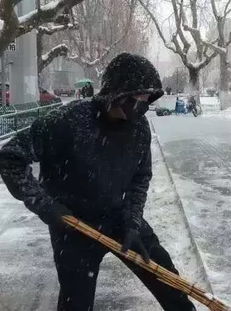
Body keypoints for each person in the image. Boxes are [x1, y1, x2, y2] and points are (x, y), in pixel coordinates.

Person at [0, 53, 196, 311]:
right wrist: (46, 207)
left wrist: (133, 223)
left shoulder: (139, 128)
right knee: (76, 302)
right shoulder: (65, 122)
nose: (144, 106)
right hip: (73, 226)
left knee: (168, 281)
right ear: (118, 94)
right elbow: (10, 159)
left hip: (118, 218)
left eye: (148, 100)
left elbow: (140, 178)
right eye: (139, 99)